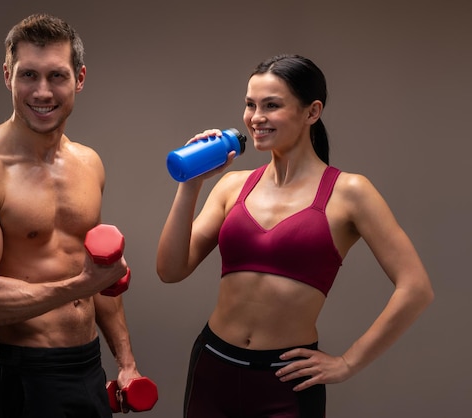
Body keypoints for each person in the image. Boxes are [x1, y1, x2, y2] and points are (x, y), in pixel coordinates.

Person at [156, 54, 434, 418]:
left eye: (272, 105)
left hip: (286, 381)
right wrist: (190, 185)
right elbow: (171, 270)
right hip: (214, 366)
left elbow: (416, 288)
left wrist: (348, 362)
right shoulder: (232, 185)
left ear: (312, 112)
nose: (256, 117)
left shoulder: (350, 192)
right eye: (250, 104)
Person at [0, 13, 143, 418]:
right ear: (7, 75)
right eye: (29, 75)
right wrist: (82, 283)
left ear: (79, 78)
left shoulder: (89, 164)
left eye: (57, 76)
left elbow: (102, 276)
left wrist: (126, 362)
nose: (43, 91)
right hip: (21, 378)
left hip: (86, 369)